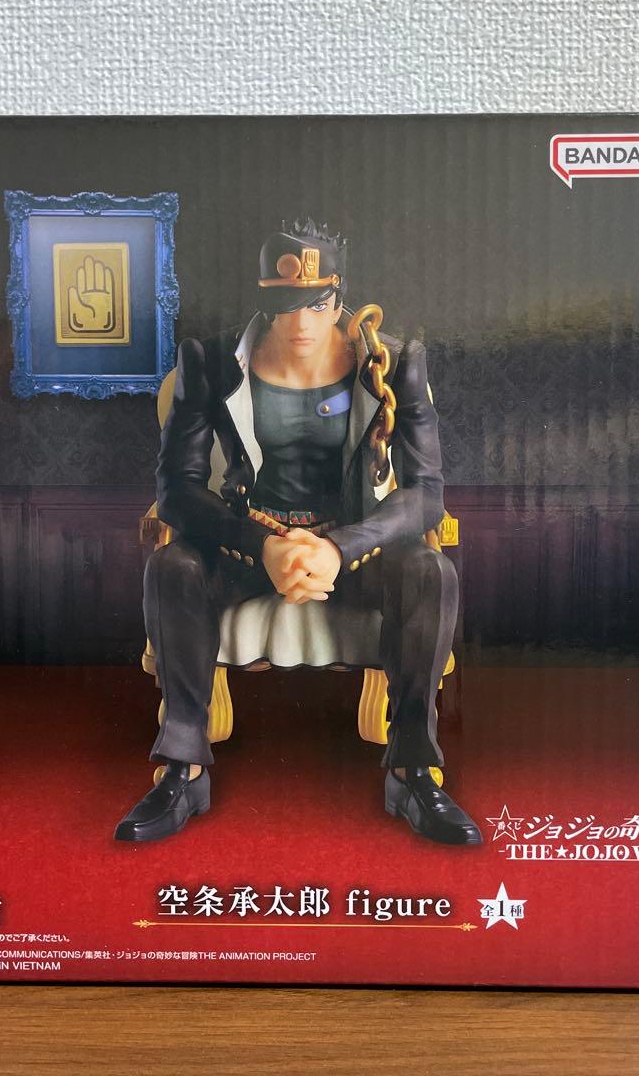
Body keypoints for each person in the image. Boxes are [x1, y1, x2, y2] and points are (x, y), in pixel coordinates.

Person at [114, 218, 481, 846]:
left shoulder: (393, 362)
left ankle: (414, 771)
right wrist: (262, 546)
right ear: (264, 301)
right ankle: (181, 769)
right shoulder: (209, 361)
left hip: (351, 547)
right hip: (248, 541)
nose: (302, 322)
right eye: (286, 305)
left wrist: (340, 548)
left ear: (340, 299)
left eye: (317, 303)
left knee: (429, 571)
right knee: (172, 566)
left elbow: (427, 493)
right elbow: (176, 488)